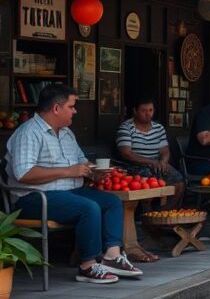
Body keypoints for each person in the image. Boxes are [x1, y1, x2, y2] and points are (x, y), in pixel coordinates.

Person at [5, 84, 143, 284]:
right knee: (89, 207)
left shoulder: (67, 133)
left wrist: (94, 172)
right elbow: (24, 173)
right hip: (34, 198)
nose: (75, 111)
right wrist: (69, 171)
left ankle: (112, 257)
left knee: (111, 202)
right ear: (56, 108)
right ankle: (87, 266)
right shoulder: (29, 133)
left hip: (70, 191)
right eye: (72, 106)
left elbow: (81, 161)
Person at [116, 98, 185, 214]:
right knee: (148, 181)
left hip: (157, 164)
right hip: (134, 166)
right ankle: (146, 216)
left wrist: (163, 162)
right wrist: (150, 162)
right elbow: (126, 153)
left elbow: (165, 150)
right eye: (143, 110)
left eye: (150, 110)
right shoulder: (126, 128)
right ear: (135, 111)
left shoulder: (159, 128)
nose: (148, 114)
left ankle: (162, 214)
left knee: (179, 181)